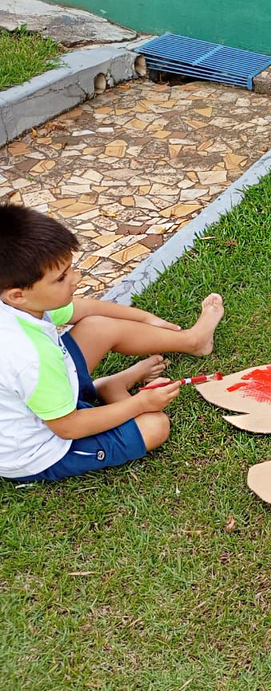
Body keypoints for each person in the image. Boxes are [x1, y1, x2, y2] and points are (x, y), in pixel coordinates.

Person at [0, 203, 224, 482]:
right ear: (17, 295)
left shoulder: (19, 303)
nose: (75, 278)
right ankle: (111, 388)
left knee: (97, 327)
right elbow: (68, 427)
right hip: (44, 448)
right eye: (61, 278)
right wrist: (141, 404)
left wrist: (147, 319)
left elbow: (83, 310)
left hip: (48, 397)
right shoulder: (29, 358)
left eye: (71, 268)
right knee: (155, 425)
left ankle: (193, 341)